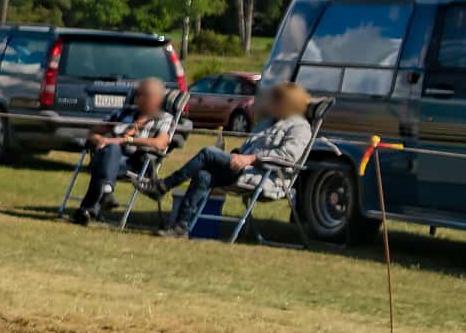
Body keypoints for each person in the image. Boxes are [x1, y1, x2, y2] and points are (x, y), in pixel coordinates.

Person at [146, 79, 316, 224]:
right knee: (203, 175)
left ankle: (163, 186)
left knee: (207, 153)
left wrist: (250, 158)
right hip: (242, 168)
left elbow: (287, 157)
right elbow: (247, 149)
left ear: (288, 103)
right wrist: (236, 152)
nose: (271, 103)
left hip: (266, 176)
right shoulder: (268, 123)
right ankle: (181, 226)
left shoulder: (300, 128)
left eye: (275, 100)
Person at [66, 77, 181, 222]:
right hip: (108, 156)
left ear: (157, 99)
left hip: (135, 163)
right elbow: (92, 132)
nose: (138, 99)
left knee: (106, 158)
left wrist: (127, 140)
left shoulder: (164, 119)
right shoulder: (124, 112)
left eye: (145, 96)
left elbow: (160, 143)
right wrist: (100, 140)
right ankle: (104, 193)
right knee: (110, 151)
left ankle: (90, 206)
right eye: (138, 95)